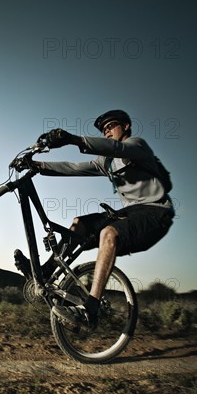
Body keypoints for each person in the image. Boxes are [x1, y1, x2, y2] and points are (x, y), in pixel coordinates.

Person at [14, 109, 175, 330]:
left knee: (108, 233)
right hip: (129, 212)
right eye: (104, 129)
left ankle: (91, 308)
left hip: (156, 213)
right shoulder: (107, 163)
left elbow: (117, 148)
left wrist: (72, 139)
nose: (107, 132)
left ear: (126, 127)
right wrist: (37, 166)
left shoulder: (137, 146)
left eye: (111, 127)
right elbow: (74, 168)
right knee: (79, 224)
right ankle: (46, 270)